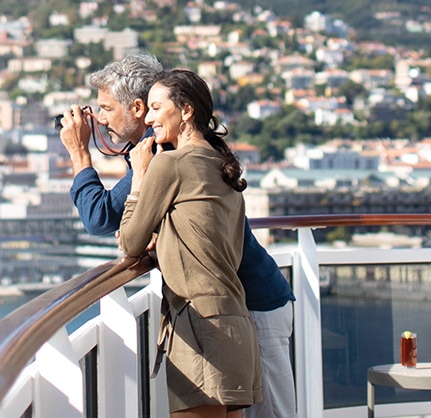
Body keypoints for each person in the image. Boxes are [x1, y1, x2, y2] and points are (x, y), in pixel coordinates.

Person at [58, 54, 297, 418]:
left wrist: (79, 154)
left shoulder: (167, 159)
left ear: (138, 108)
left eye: (105, 108)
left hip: (236, 309)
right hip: (240, 308)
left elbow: (104, 220)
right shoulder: (195, 153)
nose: (99, 119)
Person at [123, 68, 262, 416]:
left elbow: (129, 242)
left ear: (186, 111)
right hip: (235, 323)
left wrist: (139, 176)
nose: (149, 118)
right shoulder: (221, 164)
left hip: (200, 327)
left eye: (156, 108)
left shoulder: (171, 164)